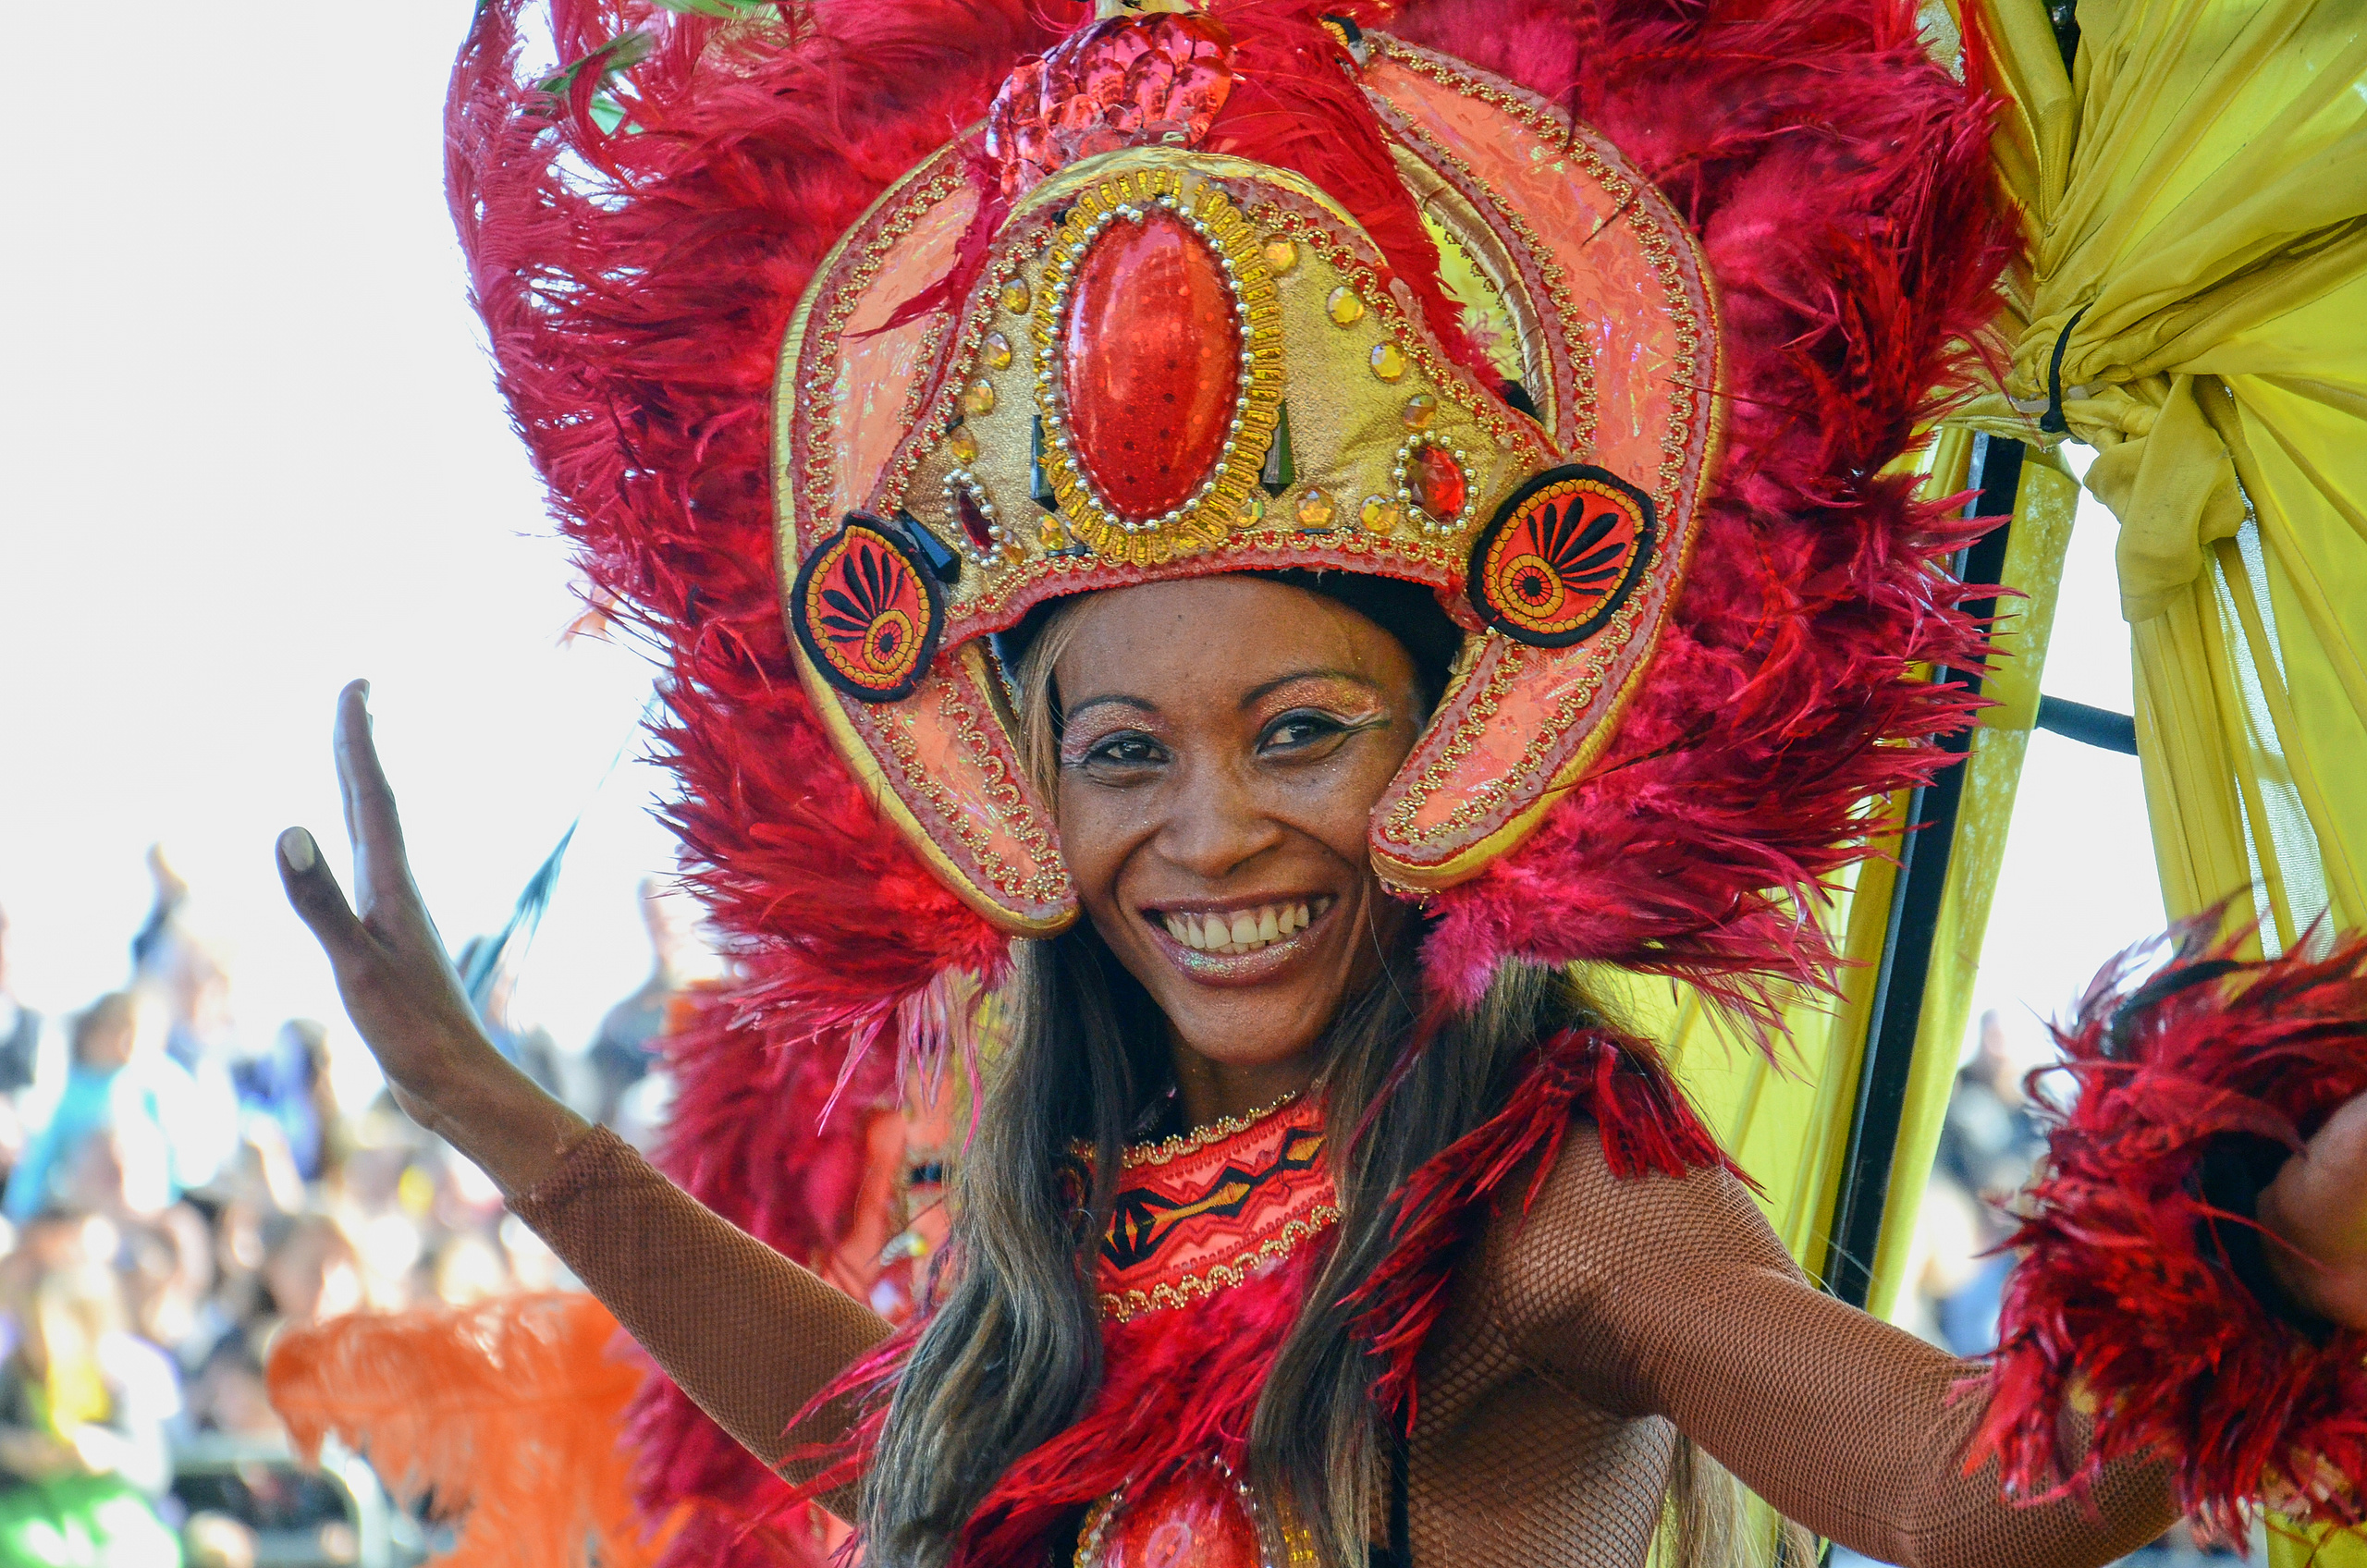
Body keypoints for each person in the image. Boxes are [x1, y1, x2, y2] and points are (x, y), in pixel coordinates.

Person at [268, 3, 2367, 1567]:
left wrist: (2251, 1273)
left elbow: (1933, 1481)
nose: (1210, 831)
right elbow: (892, 1426)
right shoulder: (1088, 1187)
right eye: (1121, 751)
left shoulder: (1540, 1173)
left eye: (1293, 732)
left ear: (1432, 754)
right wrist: (504, 1122)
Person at [584, 880, 702, 1133]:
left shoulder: (735, 986)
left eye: (671, 917)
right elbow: (595, 1094)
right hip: (652, 1142)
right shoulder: (623, 1018)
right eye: (655, 920)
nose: (666, 928)